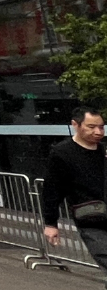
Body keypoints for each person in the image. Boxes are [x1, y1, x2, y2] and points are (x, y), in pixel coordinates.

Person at [44, 107, 107, 273]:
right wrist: (51, 223)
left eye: (101, 127)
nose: (98, 132)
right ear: (75, 125)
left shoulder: (103, 150)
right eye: (91, 127)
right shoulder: (62, 153)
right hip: (91, 219)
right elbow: (52, 189)